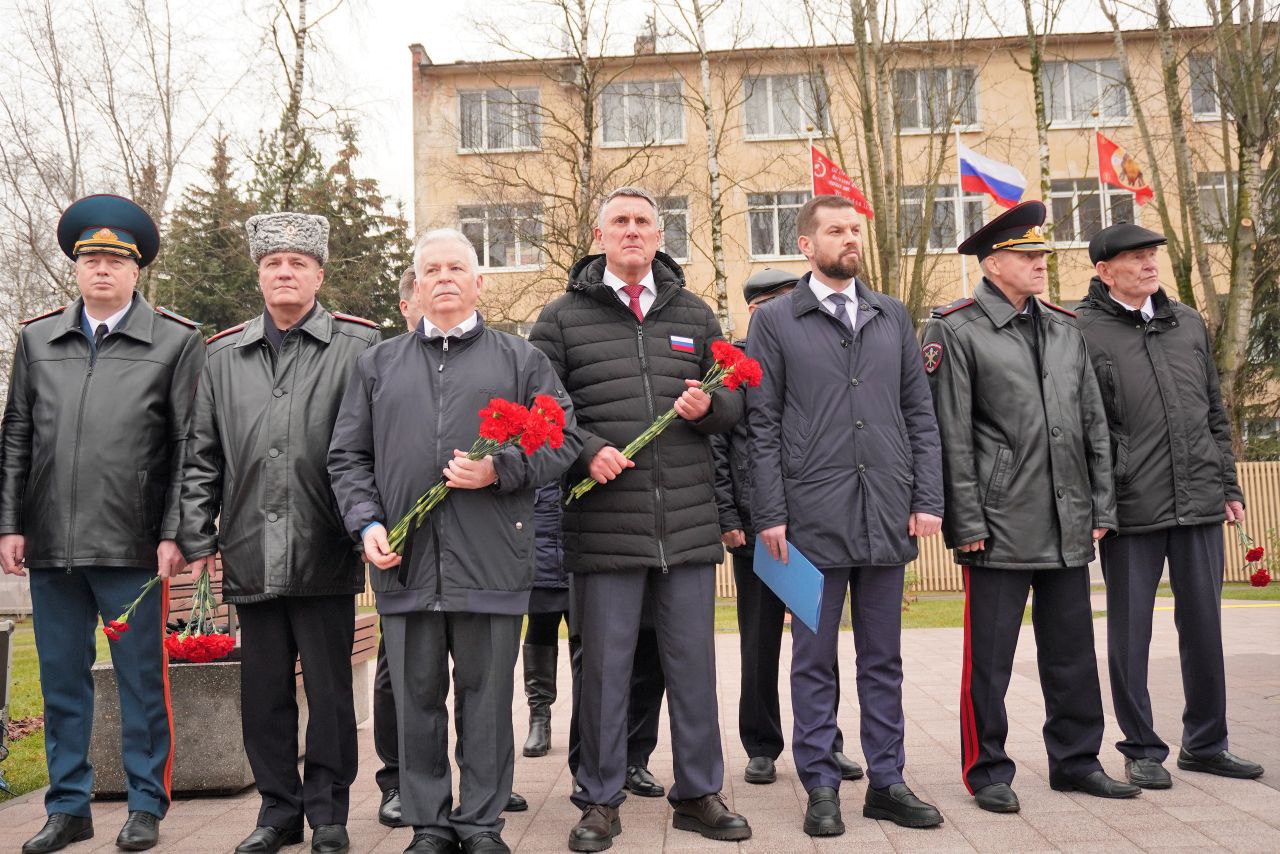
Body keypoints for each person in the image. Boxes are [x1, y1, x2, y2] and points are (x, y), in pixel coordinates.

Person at [329, 228, 579, 854]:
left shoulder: (521, 361)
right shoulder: (378, 364)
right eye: (430, 270)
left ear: (478, 283)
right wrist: (366, 523)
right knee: (415, 701)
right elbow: (348, 457)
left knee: (487, 700)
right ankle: (430, 825)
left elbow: (561, 439)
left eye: (455, 268)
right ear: (415, 286)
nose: (442, 278)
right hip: (405, 562)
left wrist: (501, 469)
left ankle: (481, 824)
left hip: (492, 560)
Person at [531, 186, 751, 852]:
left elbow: (734, 404)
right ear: (599, 235)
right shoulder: (561, 317)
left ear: (660, 236)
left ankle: (700, 793)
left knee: (692, 669)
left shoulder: (696, 313)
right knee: (603, 670)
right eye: (619, 222)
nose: (632, 231)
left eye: (643, 222)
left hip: (683, 525)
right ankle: (599, 800)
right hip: (603, 528)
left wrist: (706, 410)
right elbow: (543, 411)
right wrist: (586, 451)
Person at [0, 194, 205, 854]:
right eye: (91, 259)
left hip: (133, 547)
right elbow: (17, 439)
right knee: (62, 681)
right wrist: (9, 524)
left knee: (142, 682)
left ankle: (145, 803)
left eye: (116, 259)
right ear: (76, 268)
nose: (102, 270)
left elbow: (188, 445)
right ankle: (68, 806)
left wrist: (176, 531)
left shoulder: (176, 341)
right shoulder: (37, 339)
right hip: (52, 546)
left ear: (137, 269)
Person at [920, 201, 1140, 813]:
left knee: (1072, 653)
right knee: (988, 661)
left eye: (1043, 255)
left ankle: (1076, 760)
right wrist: (965, 520)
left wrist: (1101, 504)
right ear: (993, 265)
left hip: (1068, 518)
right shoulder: (955, 328)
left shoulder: (1066, 326)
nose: (1041, 263)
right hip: (997, 524)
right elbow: (950, 434)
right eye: (1027, 256)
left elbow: (1093, 422)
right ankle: (986, 768)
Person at [178, 213, 378, 854]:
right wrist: (199, 541)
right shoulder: (223, 356)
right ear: (259, 275)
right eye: (272, 263)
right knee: (262, 696)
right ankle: (277, 813)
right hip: (247, 554)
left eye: (297, 262)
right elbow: (201, 456)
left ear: (320, 273)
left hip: (326, 548)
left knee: (330, 694)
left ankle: (328, 813)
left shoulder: (359, 348)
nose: (284, 272)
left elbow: (374, 447)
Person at [747, 197, 944, 835]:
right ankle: (822, 785)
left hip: (886, 514)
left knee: (883, 659)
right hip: (806, 522)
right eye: (835, 230)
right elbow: (762, 424)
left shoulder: (891, 315)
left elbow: (920, 414)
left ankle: (887, 781)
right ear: (806, 245)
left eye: (855, 228)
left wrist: (927, 498)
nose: (849, 238)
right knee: (812, 658)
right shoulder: (776, 321)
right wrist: (770, 511)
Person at [1075, 223, 1264, 787]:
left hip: (1201, 502)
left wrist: (1228, 487)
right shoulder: (1082, 332)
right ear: (1105, 271)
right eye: (1135, 258)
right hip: (1131, 509)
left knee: (1204, 627)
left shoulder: (1187, 325)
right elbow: (1085, 429)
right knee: (1130, 633)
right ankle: (1142, 748)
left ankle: (1206, 743)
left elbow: (1214, 413)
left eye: (1152, 255)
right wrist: (1099, 503)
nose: (1149, 265)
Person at [711, 267, 864, 788]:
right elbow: (714, 448)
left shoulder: (812, 356)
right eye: (779, 302)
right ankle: (761, 744)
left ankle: (827, 740)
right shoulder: (728, 369)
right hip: (755, 530)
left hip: (809, 527)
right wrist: (729, 519)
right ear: (757, 312)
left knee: (816, 640)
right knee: (759, 642)